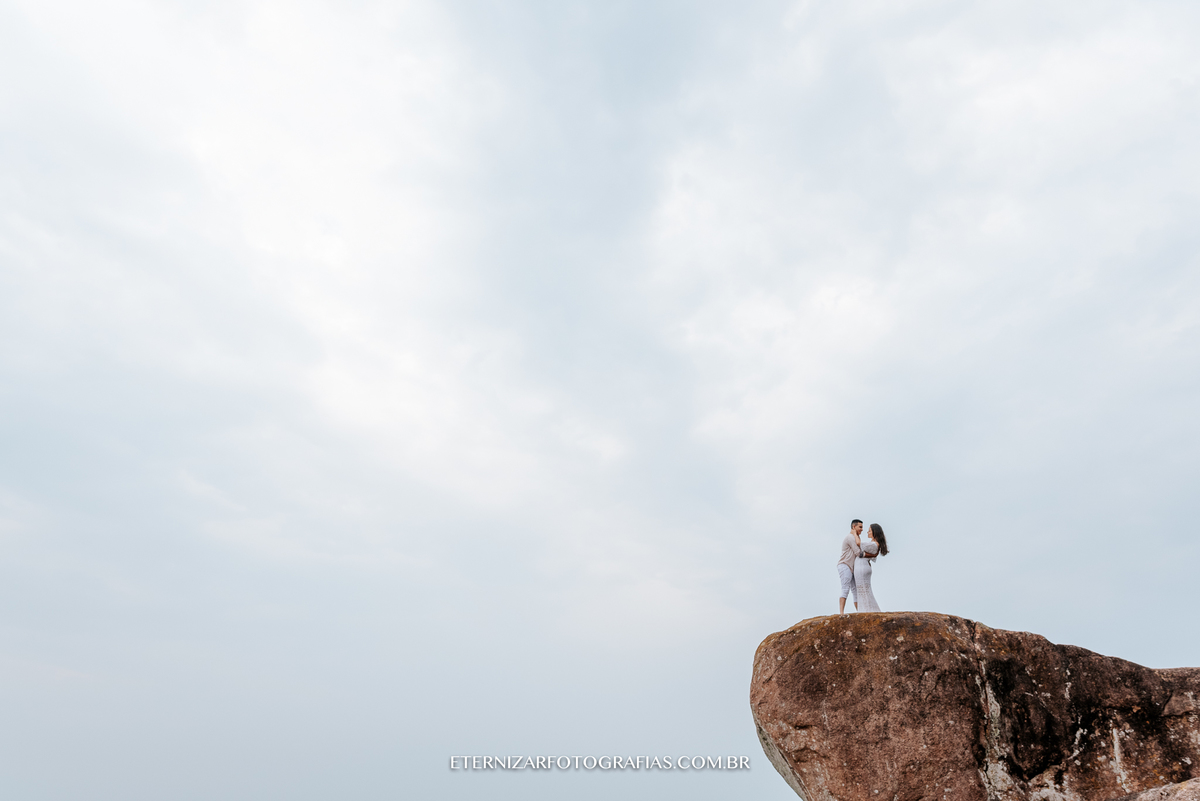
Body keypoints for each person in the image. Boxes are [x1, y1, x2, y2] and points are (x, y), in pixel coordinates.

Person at [853, 523, 889, 613]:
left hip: (862, 568)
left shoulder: (873, 544)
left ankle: (867, 610)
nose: (867, 532)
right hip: (863, 567)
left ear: (874, 532)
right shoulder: (873, 544)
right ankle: (866, 610)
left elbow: (858, 543)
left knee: (863, 590)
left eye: (869, 530)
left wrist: (854, 533)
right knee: (863, 590)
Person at [837, 520, 864, 614]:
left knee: (855, 590)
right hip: (845, 565)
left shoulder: (855, 537)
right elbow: (858, 552)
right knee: (845, 588)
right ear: (854, 526)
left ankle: (859, 611)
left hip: (851, 567)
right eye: (860, 527)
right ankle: (841, 613)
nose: (862, 529)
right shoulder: (850, 537)